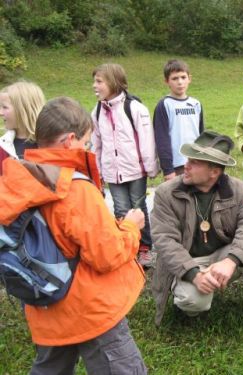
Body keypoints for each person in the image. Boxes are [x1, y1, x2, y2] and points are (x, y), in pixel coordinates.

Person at [0, 97, 147, 374]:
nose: (88, 148)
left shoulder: (19, 179)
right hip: (90, 308)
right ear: (70, 141)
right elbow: (107, 254)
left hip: (46, 302)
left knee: (51, 368)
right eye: (86, 142)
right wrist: (131, 227)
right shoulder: (74, 189)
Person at [150, 130, 243, 337]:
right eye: (188, 159)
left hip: (223, 255)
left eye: (194, 162)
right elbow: (164, 241)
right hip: (189, 260)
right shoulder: (166, 193)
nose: (185, 165)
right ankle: (188, 298)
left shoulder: (239, 189)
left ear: (214, 172)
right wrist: (194, 274)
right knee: (193, 302)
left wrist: (231, 261)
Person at [91, 63, 159, 268]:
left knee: (138, 207)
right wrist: (98, 171)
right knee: (121, 210)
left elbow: (147, 139)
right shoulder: (96, 111)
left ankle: (145, 249)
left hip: (136, 170)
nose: (94, 86)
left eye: (99, 81)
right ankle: (127, 248)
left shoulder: (134, 108)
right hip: (112, 172)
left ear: (113, 82)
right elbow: (96, 145)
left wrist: (150, 166)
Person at [153, 59, 204, 181]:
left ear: (189, 79)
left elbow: (202, 135)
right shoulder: (164, 105)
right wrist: (168, 169)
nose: (180, 82)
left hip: (196, 162)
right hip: (177, 166)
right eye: (175, 78)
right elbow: (161, 139)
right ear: (167, 81)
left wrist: (204, 160)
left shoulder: (196, 104)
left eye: (183, 77)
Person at [0, 81, 45, 174]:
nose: (0, 113)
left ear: (23, 109)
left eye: (5, 107)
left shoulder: (50, 144)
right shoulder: (3, 147)